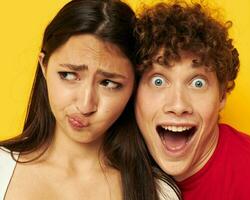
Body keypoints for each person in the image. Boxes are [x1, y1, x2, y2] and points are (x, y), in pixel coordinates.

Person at [0, 0, 180, 199]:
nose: (86, 105)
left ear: (134, 86)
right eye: (68, 75)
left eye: (109, 83)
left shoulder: (158, 192)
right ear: (44, 65)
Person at [134, 2, 250, 199]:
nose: (178, 106)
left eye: (197, 83)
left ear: (222, 96)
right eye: (158, 81)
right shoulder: (110, 161)